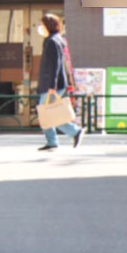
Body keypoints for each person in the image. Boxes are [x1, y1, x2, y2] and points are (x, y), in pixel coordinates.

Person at [36, 13, 83, 151]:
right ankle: (52, 141)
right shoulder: (54, 40)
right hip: (51, 84)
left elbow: (55, 65)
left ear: (48, 26)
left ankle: (73, 132)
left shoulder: (52, 41)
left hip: (52, 85)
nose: (40, 27)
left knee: (47, 112)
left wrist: (52, 86)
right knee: (47, 111)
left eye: (42, 25)